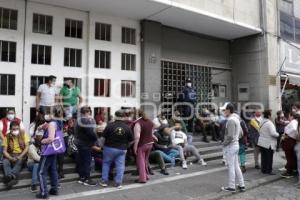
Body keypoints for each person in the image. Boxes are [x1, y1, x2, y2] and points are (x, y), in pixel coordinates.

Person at [99, 110, 133, 188]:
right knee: (120, 166)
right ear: (123, 117)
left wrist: (101, 146)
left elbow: (103, 138)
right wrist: (126, 146)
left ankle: (104, 181)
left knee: (106, 164)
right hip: (122, 149)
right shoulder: (127, 127)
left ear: (115, 116)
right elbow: (131, 140)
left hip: (109, 148)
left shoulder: (109, 125)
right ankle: (118, 183)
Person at [36, 105, 64, 199]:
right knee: (53, 169)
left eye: (48, 113)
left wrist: (42, 141)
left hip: (48, 150)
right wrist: (42, 127)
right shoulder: (58, 122)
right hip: (54, 150)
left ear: (52, 113)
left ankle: (44, 193)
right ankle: (54, 189)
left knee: (41, 172)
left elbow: (51, 138)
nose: (46, 114)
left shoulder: (52, 124)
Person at [221, 103, 245, 193]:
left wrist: (224, 143)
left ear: (228, 110)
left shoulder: (231, 120)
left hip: (231, 146)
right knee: (236, 166)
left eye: (224, 110)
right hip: (236, 145)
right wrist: (235, 138)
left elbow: (230, 136)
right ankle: (241, 185)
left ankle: (231, 186)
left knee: (231, 167)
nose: (223, 112)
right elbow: (241, 133)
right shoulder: (236, 119)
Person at [2, 121, 29, 189]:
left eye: (17, 128)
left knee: (19, 161)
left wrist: (20, 156)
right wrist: (10, 158)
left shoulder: (23, 134)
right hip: (10, 156)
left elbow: (27, 147)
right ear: (10, 129)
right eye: (14, 129)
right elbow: (4, 151)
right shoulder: (7, 137)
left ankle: (10, 176)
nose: (16, 130)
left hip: (21, 155)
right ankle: (12, 179)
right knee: (5, 162)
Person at [75, 106, 98, 186]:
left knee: (82, 161)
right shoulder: (85, 120)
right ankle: (87, 179)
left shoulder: (78, 120)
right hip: (85, 144)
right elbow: (91, 133)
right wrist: (96, 138)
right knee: (87, 162)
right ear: (88, 112)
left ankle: (82, 178)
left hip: (79, 143)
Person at [133, 109, 156, 183]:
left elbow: (137, 137)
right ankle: (146, 175)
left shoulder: (138, 123)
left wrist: (135, 147)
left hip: (142, 144)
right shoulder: (150, 122)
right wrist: (154, 137)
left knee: (141, 161)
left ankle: (142, 178)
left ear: (138, 115)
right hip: (150, 143)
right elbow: (151, 132)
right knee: (145, 160)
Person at [28, 112, 47, 193]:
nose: (41, 139)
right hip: (31, 163)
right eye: (39, 138)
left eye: (41, 138)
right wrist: (45, 161)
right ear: (35, 138)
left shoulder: (43, 145)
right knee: (36, 164)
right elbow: (36, 158)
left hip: (41, 162)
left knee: (39, 164)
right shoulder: (32, 146)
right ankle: (33, 184)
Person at [257, 110, 279, 175]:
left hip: (262, 142)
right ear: (269, 115)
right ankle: (269, 170)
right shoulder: (269, 123)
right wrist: (278, 134)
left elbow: (259, 130)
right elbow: (273, 133)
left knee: (263, 157)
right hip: (268, 142)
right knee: (269, 157)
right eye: (271, 114)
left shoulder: (261, 122)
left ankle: (263, 169)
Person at [281, 111, 299, 178]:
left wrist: (287, 133)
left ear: (292, 116)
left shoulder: (293, 122)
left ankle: (289, 171)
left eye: (289, 116)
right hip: (290, 140)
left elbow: (294, 129)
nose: (288, 117)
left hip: (289, 140)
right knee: (291, 156)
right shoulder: (294, 122)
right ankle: (292, 169)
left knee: (289, 156)